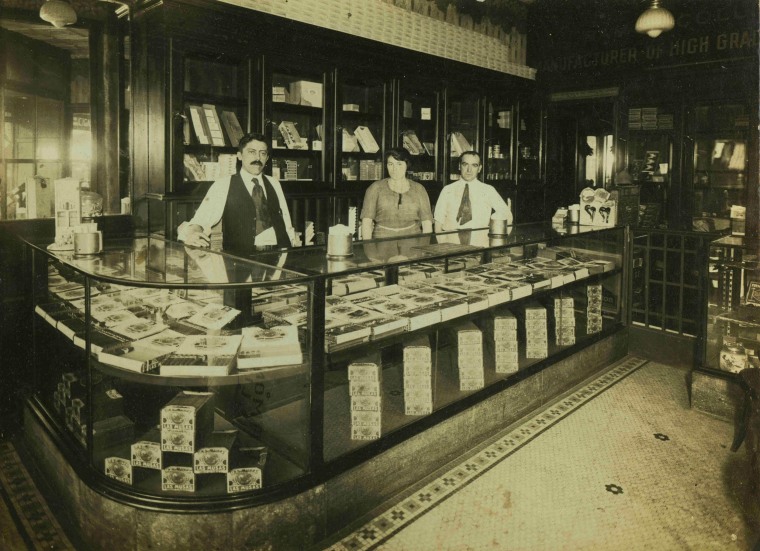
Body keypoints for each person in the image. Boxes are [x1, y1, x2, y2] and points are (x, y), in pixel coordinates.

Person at [178, 132, 295, 255]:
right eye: (252, 152)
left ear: (267, 158)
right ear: (239, 155)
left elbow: (286, 222)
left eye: (263, 153)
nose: (258, 158)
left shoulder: (274, 183)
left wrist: (291, 246)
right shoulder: (223, 184)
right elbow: (200, 220)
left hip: (278, 256)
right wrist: (193, 234)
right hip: (241, 262)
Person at [360, 148, 433, 239]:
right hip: (381, 244)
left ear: (407, 165)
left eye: (399, 164)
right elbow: (366, 223)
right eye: (390, 164)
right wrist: (369, 249)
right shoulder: (375, 188)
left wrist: (424, 249)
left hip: (413, 245)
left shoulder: (419, 189)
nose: (395, 169)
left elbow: (427, 224)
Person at [434, 150, 512, 234]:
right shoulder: (447, 190)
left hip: (480, 242)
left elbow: (507, 216)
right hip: (451, 241)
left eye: (474, 165)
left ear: (479, 168)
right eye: (465, 164)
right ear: (459, 166)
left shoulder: (488, 190)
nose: (469, 170)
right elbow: (438, 222)